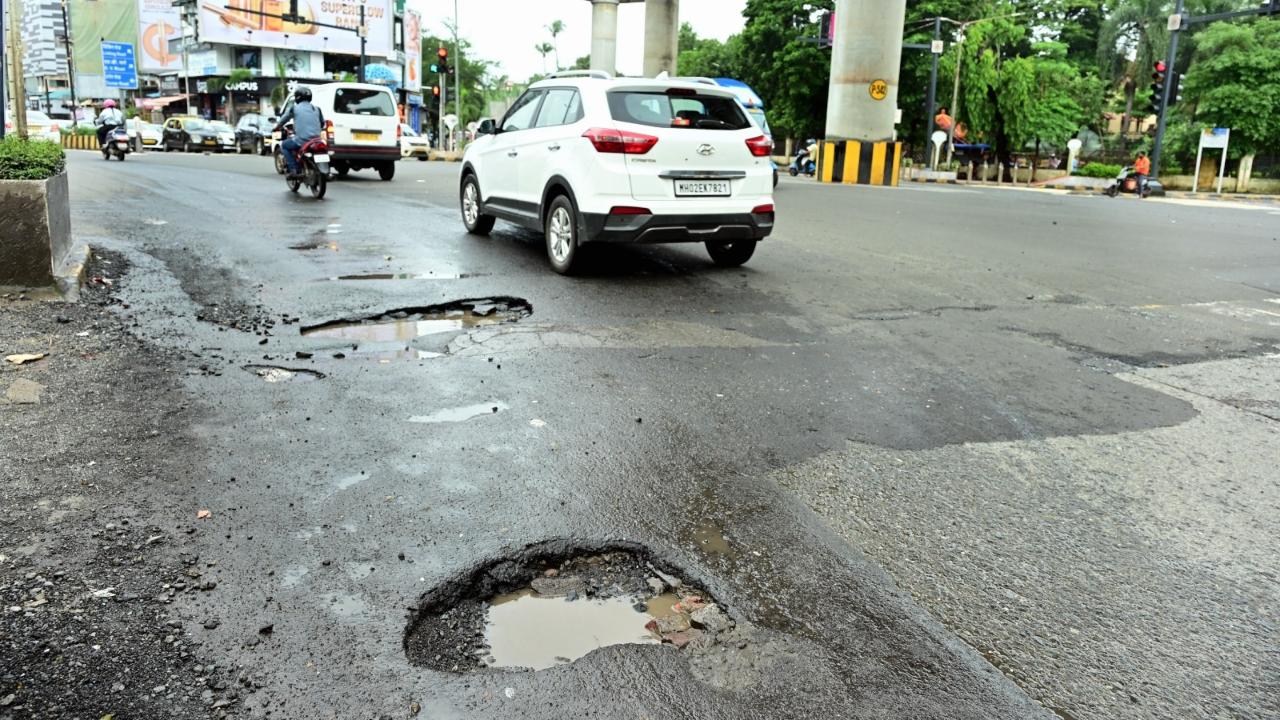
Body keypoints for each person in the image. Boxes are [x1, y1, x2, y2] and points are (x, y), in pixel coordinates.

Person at [272, 87, 325, 178]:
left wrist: (276, 127)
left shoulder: (294, 108)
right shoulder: (317, 109)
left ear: (297, 97)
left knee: (284, 145)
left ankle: (294, 169)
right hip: (317, 141)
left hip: (302, 141)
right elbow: (322, 123)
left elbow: (283, 120)